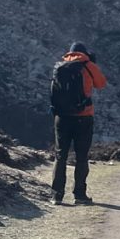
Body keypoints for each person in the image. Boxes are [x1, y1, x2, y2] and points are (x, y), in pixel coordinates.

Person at [50, 41, 106, 205]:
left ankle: (56, 195)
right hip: (83, 116)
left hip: (61, 117)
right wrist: (92, 64)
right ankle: (79, 195)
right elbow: (101, 84)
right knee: (81, 156)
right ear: (85, 53)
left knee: (60, 155)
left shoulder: (60, 66)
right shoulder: (88, 65)